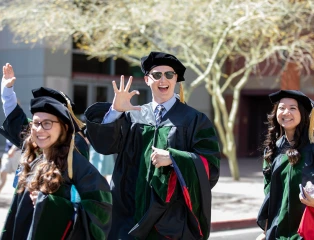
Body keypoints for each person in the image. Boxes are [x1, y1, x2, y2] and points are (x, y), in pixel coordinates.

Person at [85, 51, 220, 240]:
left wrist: (174, 159)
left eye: (169, 75)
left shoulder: (194, 120)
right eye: (156, 75)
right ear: (147, 79)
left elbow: (210, 166)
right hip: (129, 213)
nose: (163, 79)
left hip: (171, 216)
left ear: (176, 80)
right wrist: (115, 111)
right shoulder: (133, 115)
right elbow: (105, 146)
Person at [0, 63, 112, 239]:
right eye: (37, 122)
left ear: (64, 123)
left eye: (48, 122)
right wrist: (7, 92)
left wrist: (52, 206)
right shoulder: (37, 150)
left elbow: (100, 205)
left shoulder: (74, 153)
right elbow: (19, 122)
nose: (39, 128)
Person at [256, 90, 314, 240]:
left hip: (310, 231)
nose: (286, 112)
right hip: (278, 233)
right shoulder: (273, 150)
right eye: (281, 108)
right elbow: (270, 195)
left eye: (292, 108)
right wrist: (265, 232)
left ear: (303, 113)